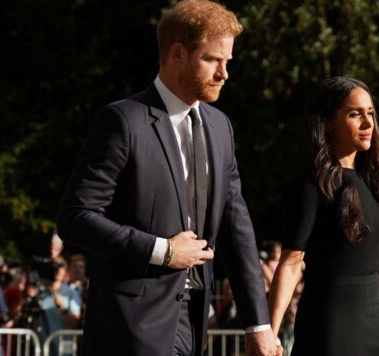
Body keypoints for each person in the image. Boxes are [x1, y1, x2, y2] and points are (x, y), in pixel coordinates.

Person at [56, 1, 275, 355]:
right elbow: (75, 218)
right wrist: (164, 251)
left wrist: (258, 324)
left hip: (194, 322)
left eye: (227, 62)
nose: (224, 74)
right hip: (130, 326)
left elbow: (237, 229)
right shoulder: (123, 121)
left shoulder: (220, 128)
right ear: (178, 54)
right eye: (213, 60)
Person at [267, 77, 379, 355]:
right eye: (355, 114)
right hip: (333, 321)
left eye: (370, 113)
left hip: (376, 314)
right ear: (327, 123)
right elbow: (292, 262)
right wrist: (269, 333)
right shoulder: (313, 183)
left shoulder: (371, 180)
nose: (368, 123)